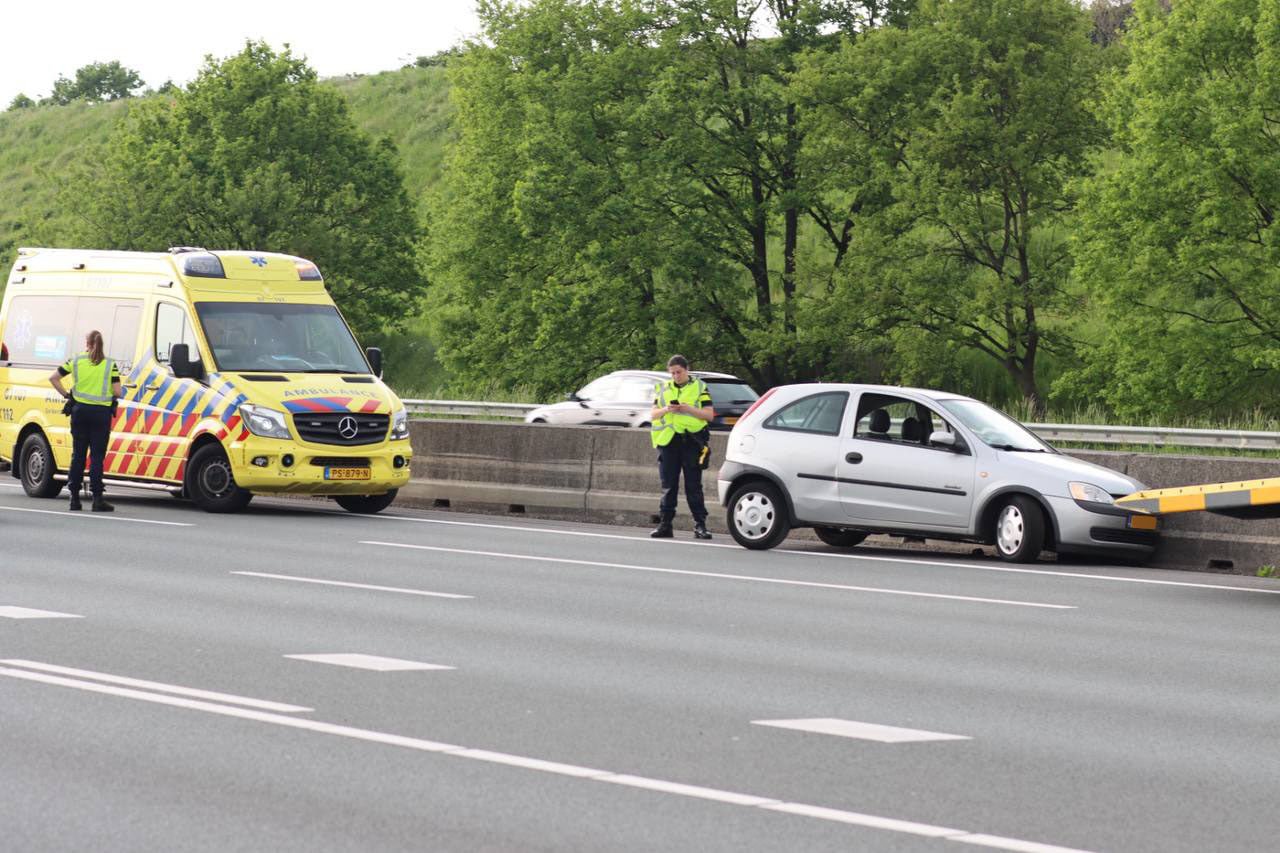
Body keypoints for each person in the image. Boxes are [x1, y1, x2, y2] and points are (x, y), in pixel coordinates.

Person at [49, 330, 123, 512]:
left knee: (78, 455)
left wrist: (67, 395)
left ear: (87, 343)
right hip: (101, 415)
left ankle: (74, 499)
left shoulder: (76, 360)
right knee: (97, 457)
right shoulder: (110, 365)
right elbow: (117, 392)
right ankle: (97, 500)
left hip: (79, 413)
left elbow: (54, 378)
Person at [649, 354, 715, 540]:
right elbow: (653, 414)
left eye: (679, 372)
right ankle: (665, 525)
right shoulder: (663, 389)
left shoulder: (699, 387)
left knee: (693, 486)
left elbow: (709, 415)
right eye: (672, 373)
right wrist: (666, 410)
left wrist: (688, 409)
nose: (676, 376)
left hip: (691, 442)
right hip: (668, 442)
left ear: (687, 370)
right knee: (668, 486)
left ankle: (700, 525)